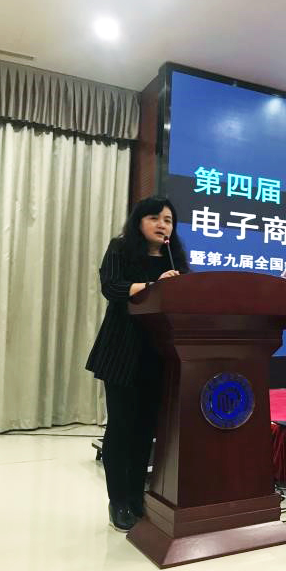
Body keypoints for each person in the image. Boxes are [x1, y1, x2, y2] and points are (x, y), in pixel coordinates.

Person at [86, 197, 189, 532]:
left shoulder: (174, 258)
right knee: (121, 427)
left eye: (168, 220)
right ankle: (117, 501)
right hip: (122, 349)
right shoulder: (121, 248)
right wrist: (154, 286)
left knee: (145, 430)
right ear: (139, 221)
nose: (163, 225)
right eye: (155, 218)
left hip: (158, 354)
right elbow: (112, 287)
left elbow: (187, 296)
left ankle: (135, 497)